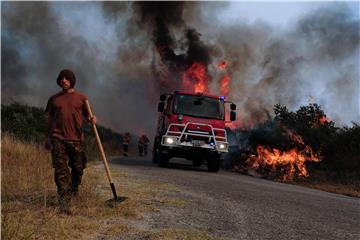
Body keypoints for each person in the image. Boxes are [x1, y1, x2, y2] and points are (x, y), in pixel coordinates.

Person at [45, 69, 96, 215]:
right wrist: (46, 138)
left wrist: (92, 119)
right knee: (61, 170)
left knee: (78, 168)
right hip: (58, 138)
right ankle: (64, 201)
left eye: (67, 78)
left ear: (72, 80)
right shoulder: (53, 99)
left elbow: (88, 117)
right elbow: (48, 120)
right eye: (61, 78)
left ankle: (74, 190)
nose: (64, 81)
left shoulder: (82, 98)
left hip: (76, 139)